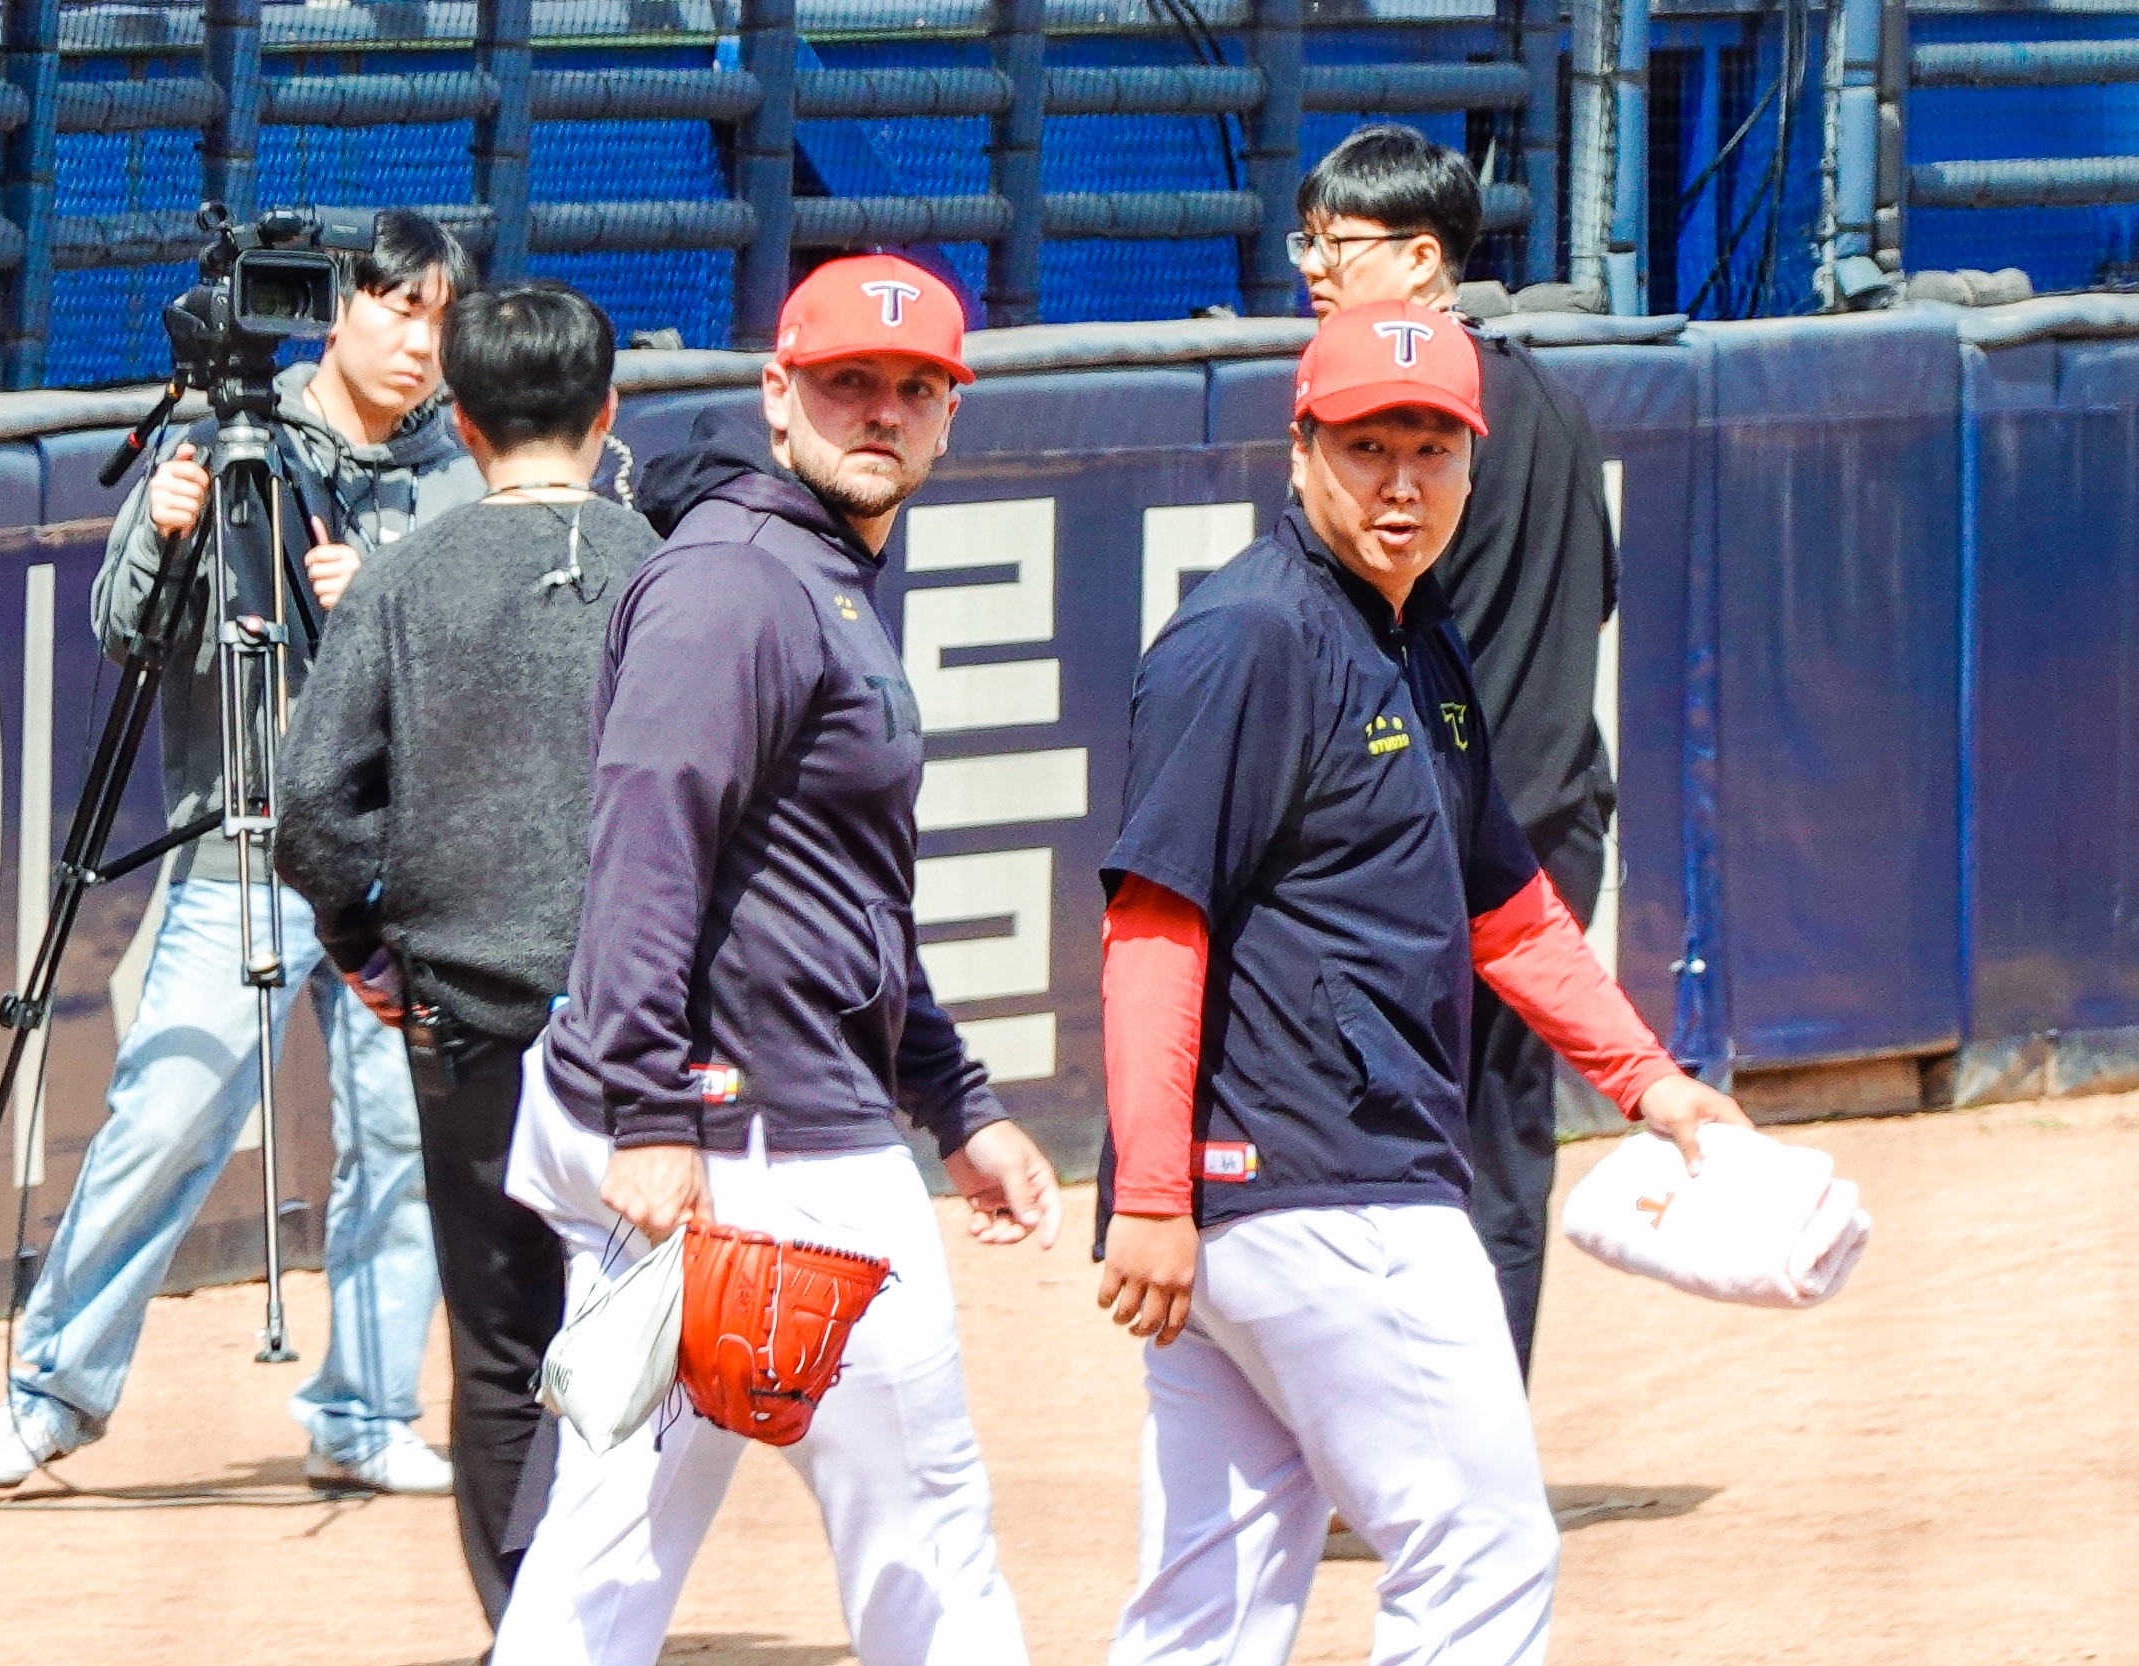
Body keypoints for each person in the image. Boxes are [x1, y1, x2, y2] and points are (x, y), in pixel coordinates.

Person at [1093, 301, 1750, 1663]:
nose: (1401, 484)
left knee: (1212, 1605)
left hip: (1274, 1206)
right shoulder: (1251, 637)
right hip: (1325, 1185)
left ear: (1472, 461)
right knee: (1484, 1551)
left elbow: (1503, 904)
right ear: (1299, 449)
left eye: (1432, 450)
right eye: (1367, 446)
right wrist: (1151, 1190)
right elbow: (1156, 923)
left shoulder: (1416, 634)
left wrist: (1653, 1083)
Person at [491, 254, 1063, 1666]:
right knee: (927, 1530)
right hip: (758, 1142)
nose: (881, 410)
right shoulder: (740, 582)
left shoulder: (818, 569)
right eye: (846, 381)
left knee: (609, 1546)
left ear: (949, 415)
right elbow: (646, 838)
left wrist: (954, 1099)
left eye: (914, 387)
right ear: (776, 393)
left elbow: (843, 890)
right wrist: (649, 1107)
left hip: (746, 1127)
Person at [0, 209, 482, 1495]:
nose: (420, 343)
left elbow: (486, 686)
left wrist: (383, 606)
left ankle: (364, 1414)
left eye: (440, 317)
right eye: (397, 308)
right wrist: (163, 526)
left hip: (402, 860)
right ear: (334, 310)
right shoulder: (226, 443)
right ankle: (50, 1390)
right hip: (246, 841)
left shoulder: (459, 480)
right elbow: (121, 631)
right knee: (169, 1112)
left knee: (401, 1142)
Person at [275, 279, 657, 1630]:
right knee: (645, 1337)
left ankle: (526, 1631)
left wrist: (364, 950)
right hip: (651, 1033)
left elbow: (312, 811)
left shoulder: (401, 578)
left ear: (466, 421)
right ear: (607, 412)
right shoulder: (668, 569)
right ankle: (601, 1625)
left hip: (466, 1021)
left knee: (504, 1352)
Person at [1289, 124, 1624, 1378]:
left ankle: (1413, 1429)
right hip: (1550, 832)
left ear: (1422, 259)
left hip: (1434, 844)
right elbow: (1597, 592)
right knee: (1499, 1142)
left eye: (1336, 243)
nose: (1312, 266)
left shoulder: (1389, 422)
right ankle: (1477, 1433)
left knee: (1383, 1150)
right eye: (1306, 240)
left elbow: (1347, 629)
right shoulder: (1553, 400)